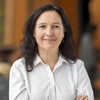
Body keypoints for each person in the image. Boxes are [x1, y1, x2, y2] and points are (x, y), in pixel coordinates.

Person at [9, 4, 94, 100]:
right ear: (33, 32)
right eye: (42, 26)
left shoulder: (77, 67)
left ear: (63, 32)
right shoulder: (19, 68)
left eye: (56, 26)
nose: (49, 33)